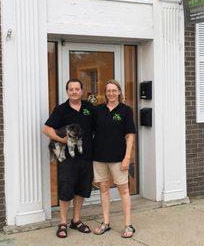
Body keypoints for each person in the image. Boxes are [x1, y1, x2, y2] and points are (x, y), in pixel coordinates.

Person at [42, 79, 95, 239]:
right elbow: (46, 129)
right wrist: (62, 140)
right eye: (71, 89)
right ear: (67, 92)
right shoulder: (61, 110)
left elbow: (99, 126)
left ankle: (76, 220)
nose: (74, 91)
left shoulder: (88, 108)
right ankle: (63, 222)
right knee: (66, 190)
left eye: (77, 89)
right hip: (67, 159)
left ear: (81, 90)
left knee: (81, 189)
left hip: (86, 157)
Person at [93, 79, 136, 238]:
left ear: (119, 92)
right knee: (103, 189)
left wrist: (127, 158)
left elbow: (130, 136)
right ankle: (105, 222)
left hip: (118, 158)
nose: (111, 93)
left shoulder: (126, 110)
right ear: (105, 93)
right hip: (99, 157)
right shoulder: (98, 110)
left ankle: (128, 225)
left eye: (114, 90)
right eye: (108, 90)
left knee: (123, 190)